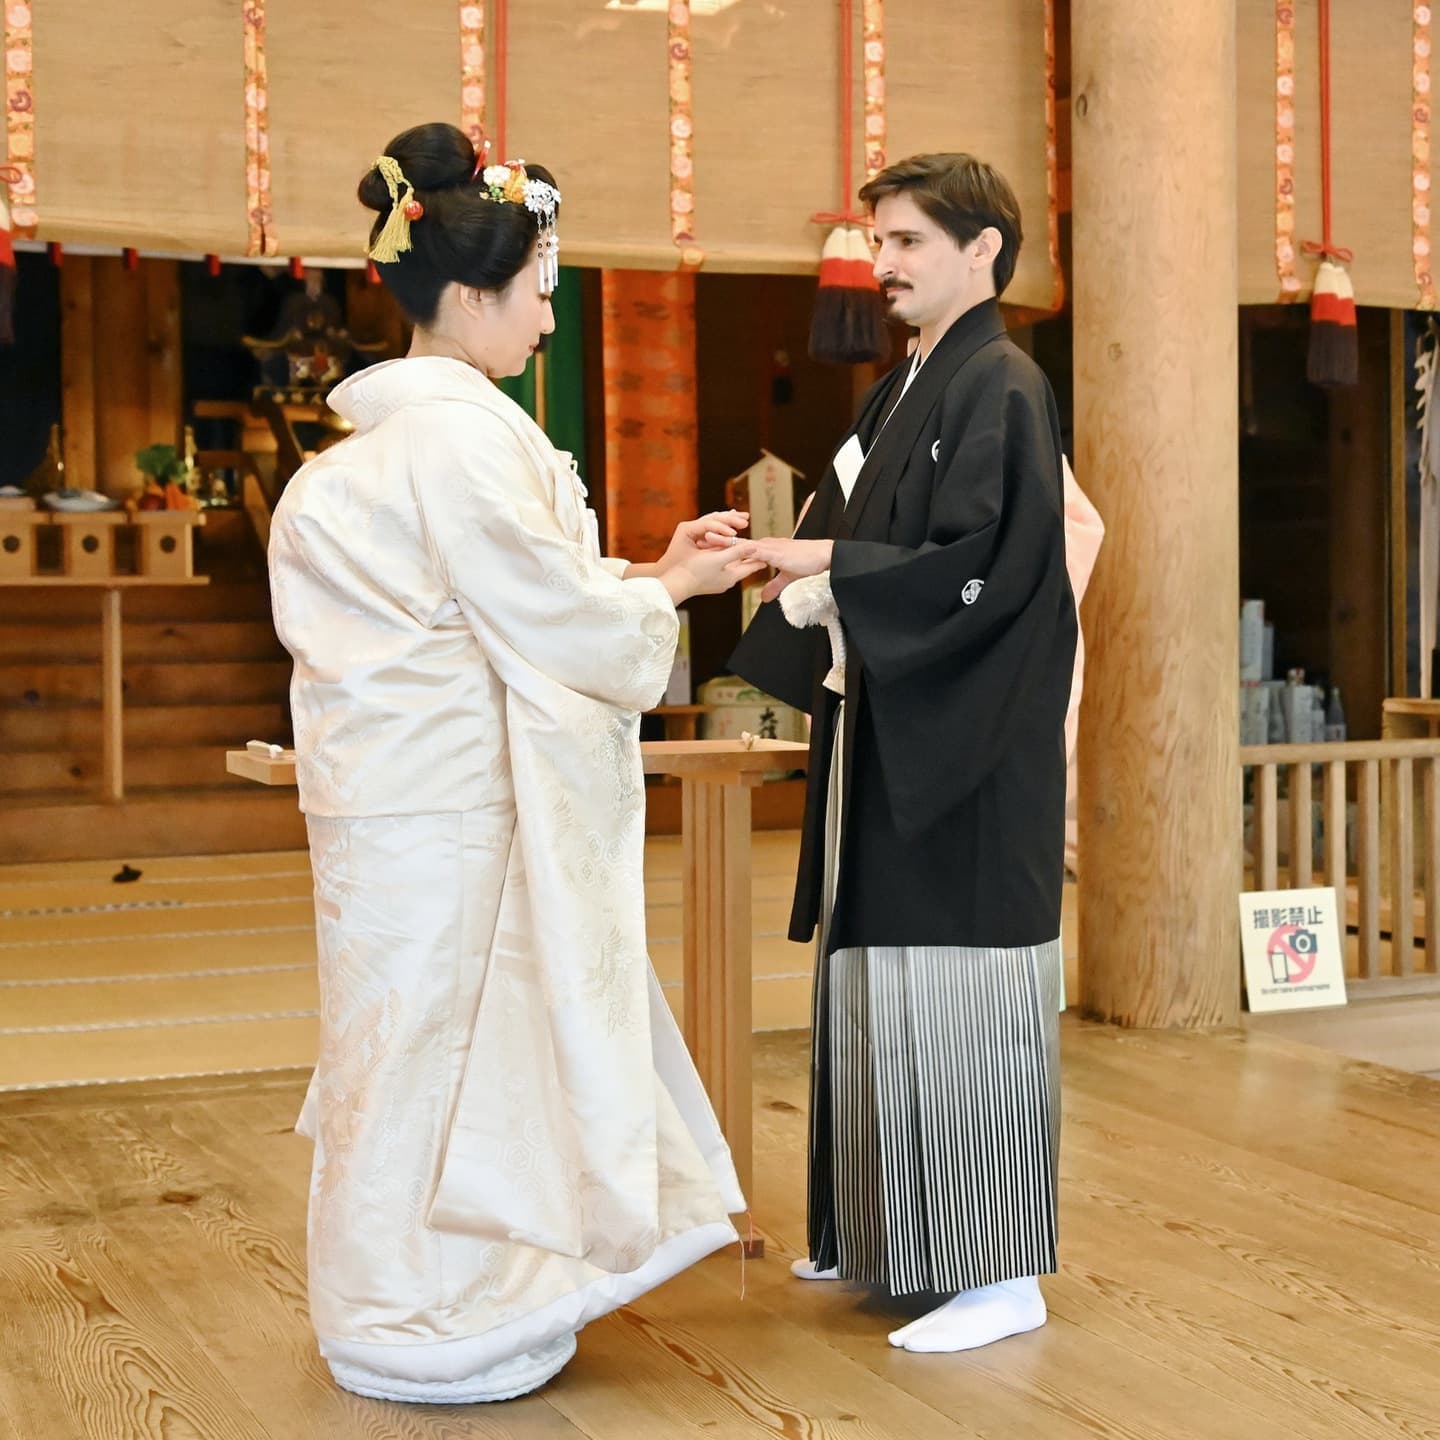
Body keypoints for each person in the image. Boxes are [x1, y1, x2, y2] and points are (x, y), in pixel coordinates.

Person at [268, 122, 764, 1405]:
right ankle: (437, 1316)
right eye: (542, 295)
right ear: (478, 291)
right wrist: (664, 599)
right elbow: (564, 632)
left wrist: (656, 575)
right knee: (457, 1052)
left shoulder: (360, 463)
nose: (548, 324)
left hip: (383, 819)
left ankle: (378, 1304)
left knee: (393, 1044)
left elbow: (508, 609)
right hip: (463, 817)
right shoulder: (467, 445)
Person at [730, 152, 1076, 1354]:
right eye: (878, 241)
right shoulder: (907, 387)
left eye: (909, 242)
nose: (882, 265)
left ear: (985, 251)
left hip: (968, 747)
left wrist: (840, 574)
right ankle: (888, 1236)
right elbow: (840, 525)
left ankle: (995, 1270)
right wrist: (787, 564)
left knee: (962, 988)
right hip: (892, 724)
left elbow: (997, 563)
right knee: (875, 984)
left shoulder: (1005, 386)